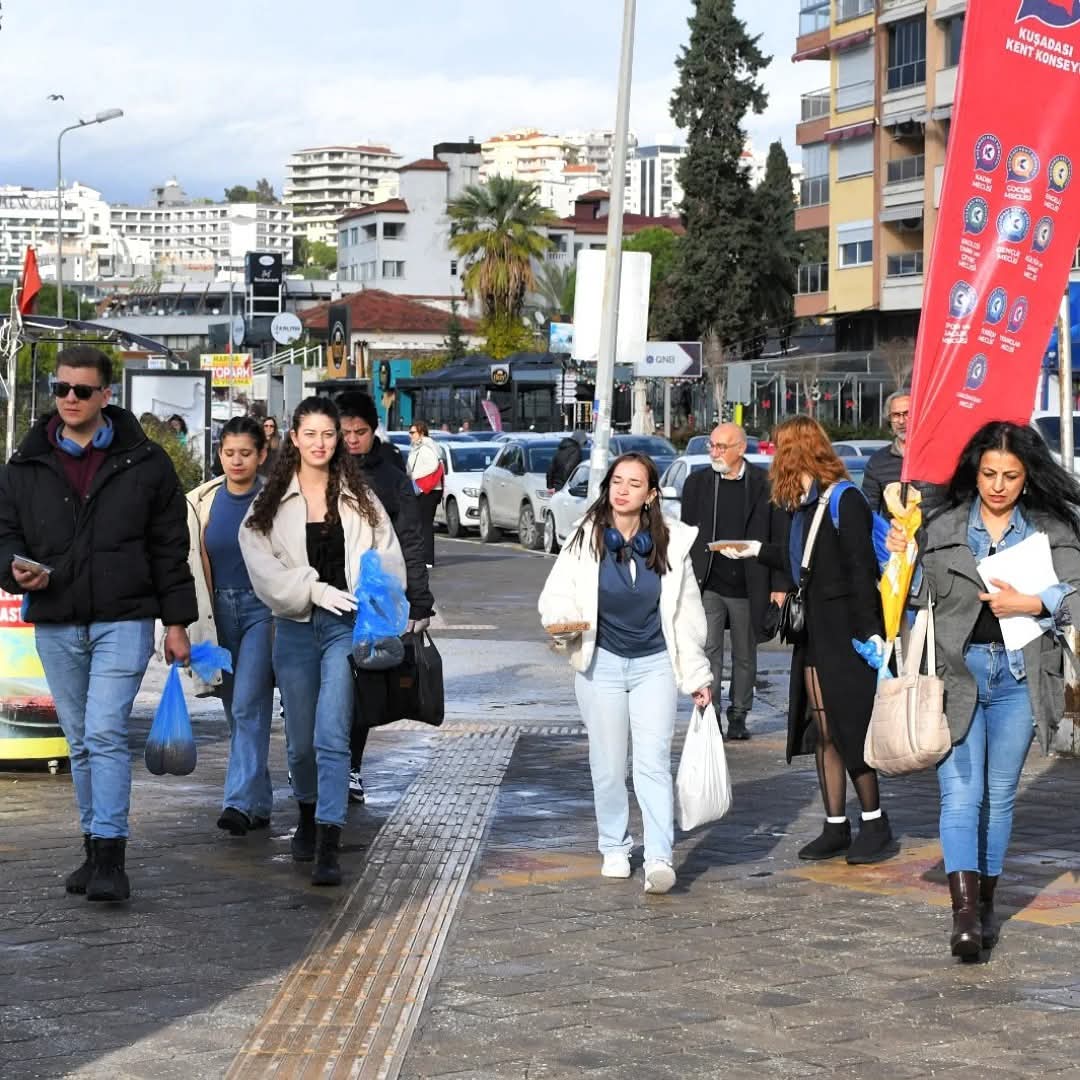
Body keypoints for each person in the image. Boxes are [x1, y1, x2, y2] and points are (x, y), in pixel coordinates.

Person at [0, 346, 196, 902]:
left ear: (106, 395)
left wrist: (177, 621)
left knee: (106, 732)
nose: (69, 399)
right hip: (57, 620)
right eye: (61, 389)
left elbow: (169, 548)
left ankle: (112, 855)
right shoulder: (25, 463)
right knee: (81, 738)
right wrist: (13, 570)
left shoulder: (147, 462)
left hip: (124, 618)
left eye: (82, 391)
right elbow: (4, 534)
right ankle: (92, 847)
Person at [886, 421, 1080, 958]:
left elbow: (1077, 600)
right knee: (960, 796)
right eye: (990, 473)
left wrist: (1036, 602)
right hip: (956, 677)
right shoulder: (941, 526)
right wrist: (900, 553)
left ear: (1027, 478)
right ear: (975, 470)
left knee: (997, 800)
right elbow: (906, 600)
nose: (998, 485)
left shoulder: (1051, 531)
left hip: (1020, 679)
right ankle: (964, 919)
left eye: (1011, 476)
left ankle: (988, 903)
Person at [239, 397, 406, 887]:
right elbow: (261, 566)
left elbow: (387, 553)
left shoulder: (359, 497)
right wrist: (313, 590)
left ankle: (329, 840)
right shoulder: (271, 500)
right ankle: (308, 815)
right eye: (309, 434)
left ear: (340, 441)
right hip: (292, 626)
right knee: (300, 745)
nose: (319, 443)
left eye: (328, 435)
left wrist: (376, 604)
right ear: (293, 438)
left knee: (333, 734)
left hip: (344, 629)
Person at [719, 416, 897, 864]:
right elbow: (803, 562)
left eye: (780, 449)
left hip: (846, 632)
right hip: (816, 630)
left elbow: (861, 571)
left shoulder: (844, 500)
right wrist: (754, 549)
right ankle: (836, 824)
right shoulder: (806, 504)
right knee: (823, 728)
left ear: (799, 451)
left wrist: (871, 636)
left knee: (849, 726)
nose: (774, 458)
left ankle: (874, 822)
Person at [539, 453, 713, 894]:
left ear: (651, 494)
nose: (622, 489)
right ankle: (614, 845)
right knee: (609, 764)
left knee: (653, 763)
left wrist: (696, 676)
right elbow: (556, 595)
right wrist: (562, 624)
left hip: (655, 662)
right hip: (602, 663)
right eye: (617, 481)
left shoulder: (672, 542)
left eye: (634, 483)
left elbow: (686, 614)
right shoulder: (585, 537)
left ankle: (659, 856)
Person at [338, 391, 434, 805]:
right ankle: (316, 761)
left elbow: (411, 539)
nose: (352, 440)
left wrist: (419, 602)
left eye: (359, 432)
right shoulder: (319, 468)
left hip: (372, 596)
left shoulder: (391, 476)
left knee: (361, 683)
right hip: (322, 590)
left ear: (373, 430)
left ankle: (351, 766)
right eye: (345, 432)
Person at [187, 417, 275, 837]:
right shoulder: (201, 501)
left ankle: (237, 803)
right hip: (215, 613)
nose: (236, 461)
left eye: (245, 453)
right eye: (228, 452)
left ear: (261, 455)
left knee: (247, 705)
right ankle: (260, 802)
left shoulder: (278, 499)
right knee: (236, 711)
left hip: (264, 611)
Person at [679, 423, 792, 740]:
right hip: (709, 583)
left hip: (749, 583)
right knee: (709, 650)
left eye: (721, 447)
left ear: (741, 449)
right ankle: (709, 713)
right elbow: (688, 534)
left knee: (745, 653)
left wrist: (779, 587)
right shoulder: (698, 483)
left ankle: (739, 715)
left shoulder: (764, 484)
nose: (714, 452)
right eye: (711, 446)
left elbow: (779, 536)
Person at [862, 389, 910, 514]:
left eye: (907, 414)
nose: (901, 421)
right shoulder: (877, 462)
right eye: (896, 415)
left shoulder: (935, 456)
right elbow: (869, 512)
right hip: (893, 532)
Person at [407, 420, 443, 569]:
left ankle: (428, 559)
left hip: (428, 491)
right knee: (420, 524)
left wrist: (415, 476)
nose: (410, 435)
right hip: (424, 490)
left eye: (412, 432)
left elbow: (433, 465)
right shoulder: (418, 447)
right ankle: (423, 556)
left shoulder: (427, 448)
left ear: (421, 433)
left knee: (426, 524)